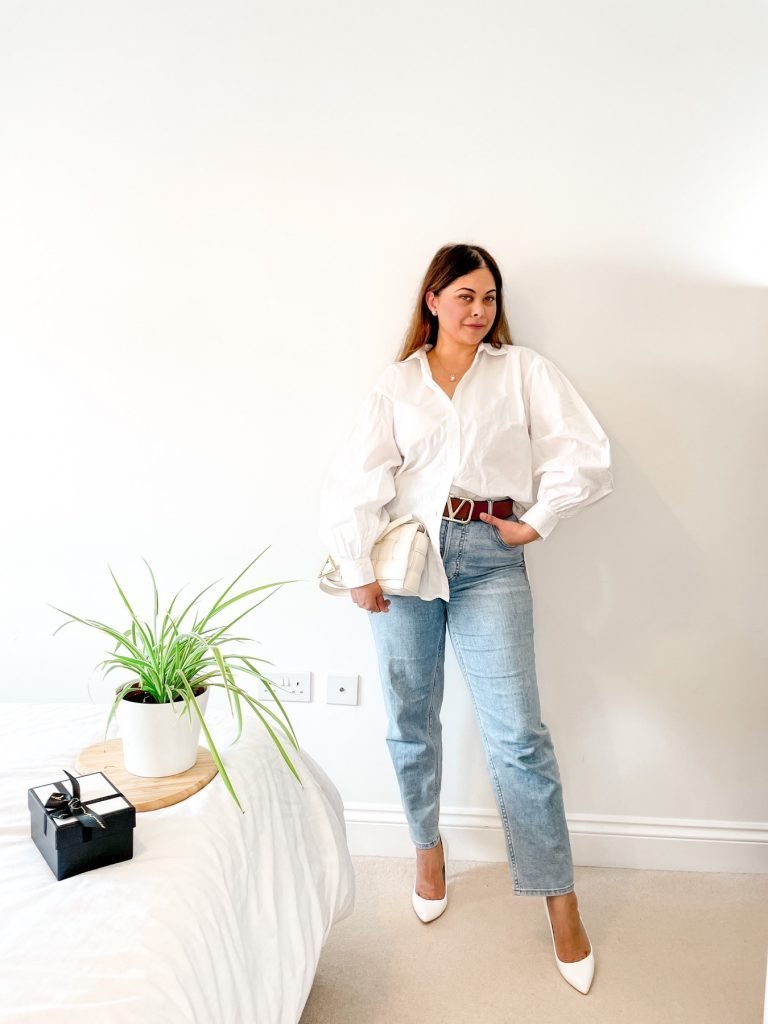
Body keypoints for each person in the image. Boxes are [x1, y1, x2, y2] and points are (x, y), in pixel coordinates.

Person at [318, 242, 613, 995]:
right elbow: (358, 478)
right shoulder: (398, 384)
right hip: (408, 560)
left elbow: (586, 452)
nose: (478, 311)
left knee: (519, 736)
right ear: (433, 301)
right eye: (464, 297)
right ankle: (427, 847)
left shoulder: (522, 371)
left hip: (490, 555)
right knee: (410, 717)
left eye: (488, 297)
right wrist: (357, 571)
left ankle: (561, 901)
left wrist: (538, 518)